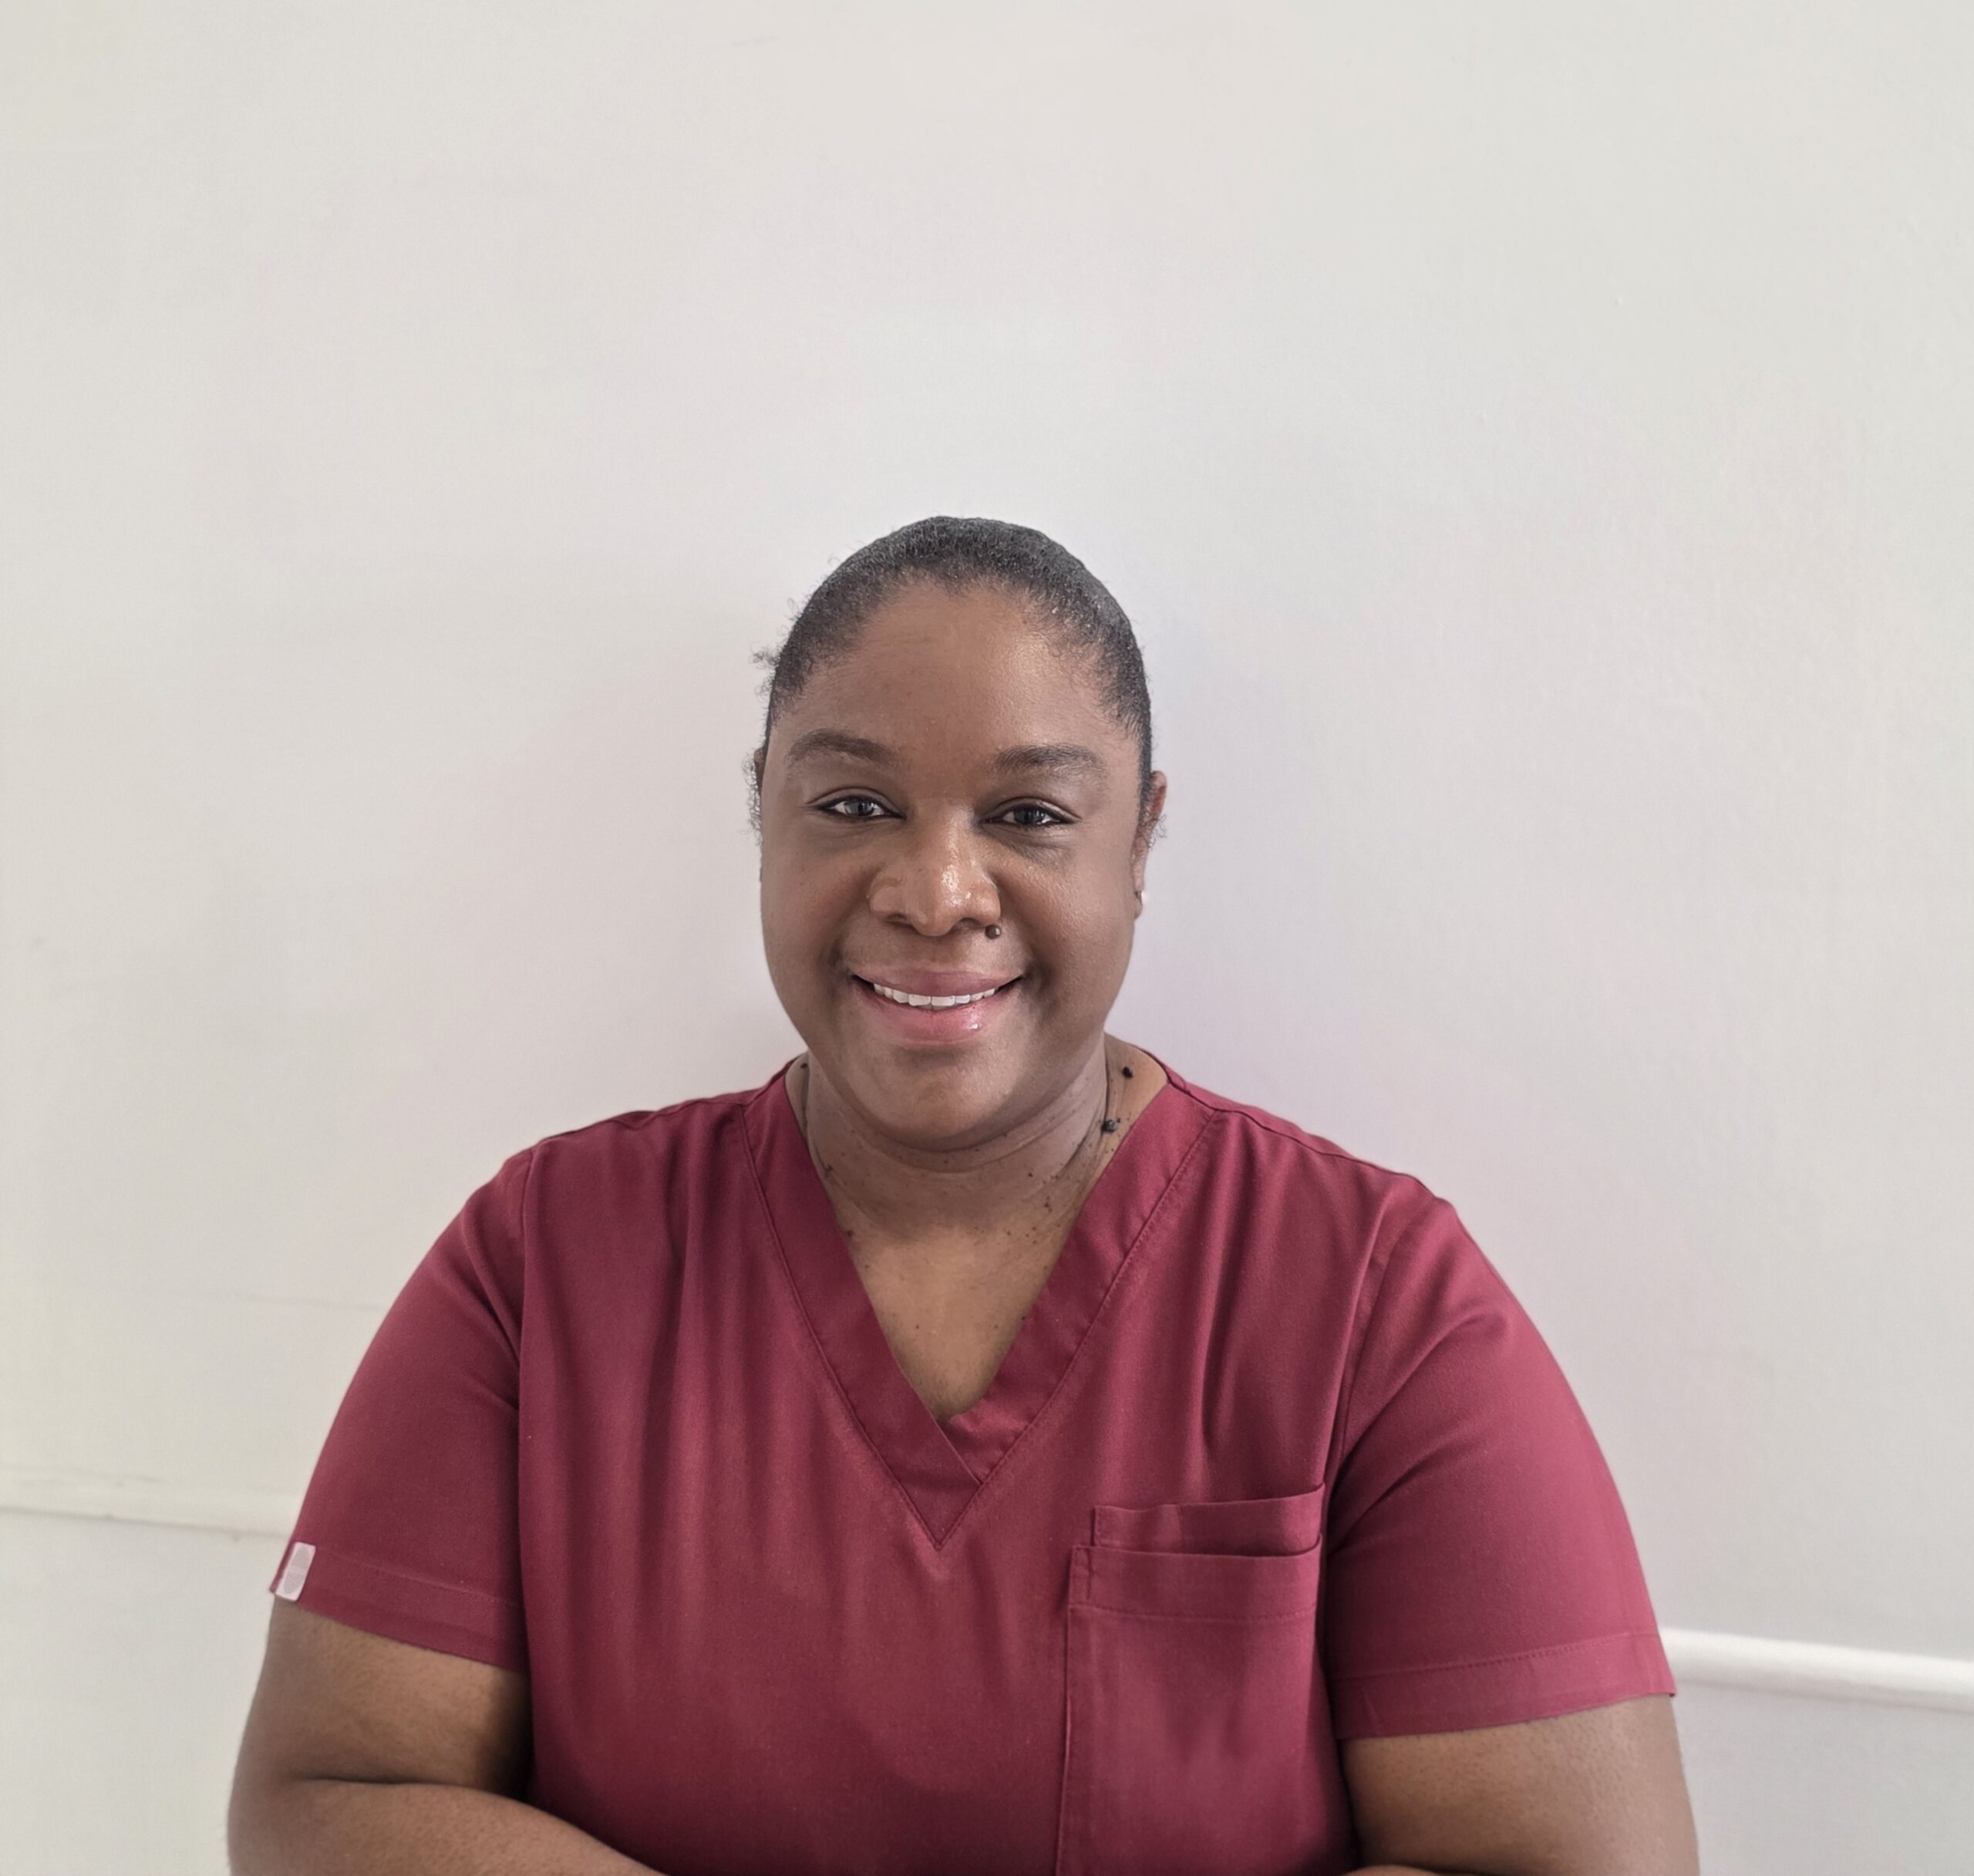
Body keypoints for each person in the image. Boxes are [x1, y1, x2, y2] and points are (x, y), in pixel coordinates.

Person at [227, 517, 1700, 1876]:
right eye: (854, 803)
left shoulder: (1374, 1296)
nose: (936, 892)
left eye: (1030, 815)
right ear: (765, 816)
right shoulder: (544, 1263)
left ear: (1142, 837)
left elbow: (1580, 1863)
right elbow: (327, 1803)